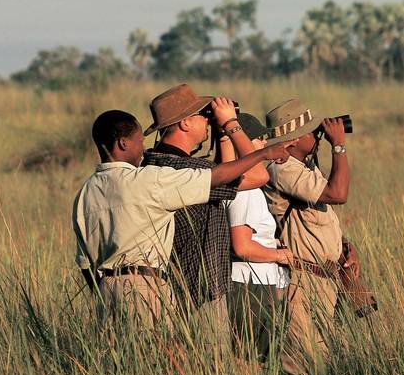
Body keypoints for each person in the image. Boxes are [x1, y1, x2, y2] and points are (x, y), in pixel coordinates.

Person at [72, 109, 292, 329]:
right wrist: (259, 152)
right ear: (123, 144)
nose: (143, 148)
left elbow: (85, 263)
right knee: (155, 357)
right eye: (139, 141)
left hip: (105, 288)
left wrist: (107, 291)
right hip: (144, 285)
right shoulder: (146, 180)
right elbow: (219, 177)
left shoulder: (86, 191)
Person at [140, 83, 271, 348]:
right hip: (201, 288)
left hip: (164, 288)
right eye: (203, 115)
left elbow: (221, 172)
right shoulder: (187, 169)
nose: (208, 121)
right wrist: (232, 125)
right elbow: (258, 175)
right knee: (210, 373)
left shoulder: (152, 163)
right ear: (186, 123)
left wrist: (222, 138)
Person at [262, 99, 359, 375]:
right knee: (301, 365)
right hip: (304, 282)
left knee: (326, 360)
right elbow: (337, 194)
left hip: (325, 279)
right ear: (291, 142)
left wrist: (346, 248)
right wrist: (338, 146)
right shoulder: (284, 169)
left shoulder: (304, 166)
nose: (317, 134)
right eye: (310, 131)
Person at [221, 114, 296, 363]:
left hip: (251, 283)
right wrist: (279, 255)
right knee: (251, 360)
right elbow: (241, 246)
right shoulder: (246, 190)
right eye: (259, 139)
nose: (264, 144)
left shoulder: (238, 183)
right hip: (249, 285)